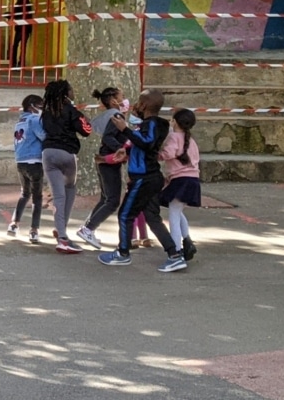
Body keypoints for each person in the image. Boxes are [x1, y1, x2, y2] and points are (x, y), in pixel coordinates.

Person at [99, 90, 186, 271]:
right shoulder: (148, 124)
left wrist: (125, 129)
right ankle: (175, 254)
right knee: (152, 217)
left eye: (139, 101)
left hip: (144, 178)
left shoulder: (153, 123)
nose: (135, 105)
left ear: (145, 105)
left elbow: (147, 143)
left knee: (125, 214)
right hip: (149, 177)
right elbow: (143, 146)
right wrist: (127, 151)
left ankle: (123, 253)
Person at [39, 78, 90, 254]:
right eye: (71, 89)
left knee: (58, 196)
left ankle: (61, 232)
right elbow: (86, 130)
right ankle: (63, 236)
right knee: (69, 190)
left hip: (48, 153)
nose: (73, 92)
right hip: (67, 154)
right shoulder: (71, 110)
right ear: (66, 93)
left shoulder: (46, 112)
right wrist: (83, 117)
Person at [77, 87, 128, 250]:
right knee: (113, 201)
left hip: (104, 160)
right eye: (122, 97)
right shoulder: (116, 115)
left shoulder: (107, 115)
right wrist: (121, 149)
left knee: (105, 198)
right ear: (114, 100)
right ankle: (88, 229)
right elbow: (108, 137)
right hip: (109, 160)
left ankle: (87, 228)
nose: (125, 100)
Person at [158, 107, 201, 264]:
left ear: (174, 122)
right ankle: (187, 241)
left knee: (174, 215)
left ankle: (176, 249)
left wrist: (156, 155)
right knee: (177, 209)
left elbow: (168, 154)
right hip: (192, 180)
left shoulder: (174, 137)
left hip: (181, 180)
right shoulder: (192, 141)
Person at [9, 94, 45, 243]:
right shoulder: (34, 119)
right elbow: (43, 136)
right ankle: (34, 230)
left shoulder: (20, 122)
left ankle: (14, 224)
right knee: (37, 197)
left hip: (21, 162)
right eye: (40, 106)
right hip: (34, 161)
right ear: (32, 106)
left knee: (24, 194)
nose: (42, 109)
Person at [9, 0, 36, 70]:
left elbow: (16, 12)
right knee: (22, 46)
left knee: (15, 45)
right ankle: (20, 63)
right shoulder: (26, 1)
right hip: (25, 27)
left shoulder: (21, 1)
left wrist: (10, 15)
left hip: (21, 27)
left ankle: (14, 63)